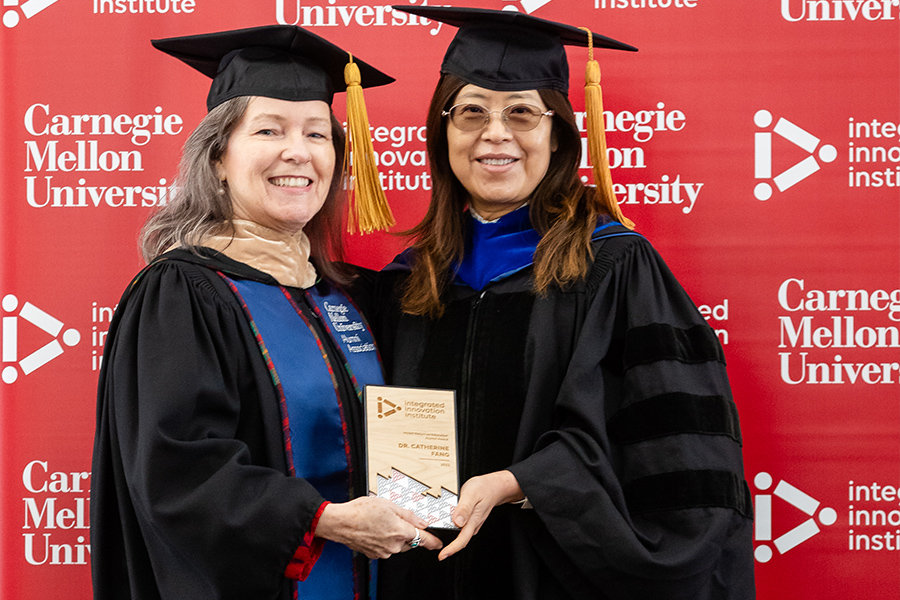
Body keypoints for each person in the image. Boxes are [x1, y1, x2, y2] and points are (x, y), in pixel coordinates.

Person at [365, 7, 755, 599]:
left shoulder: (615, 268)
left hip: (556, 577)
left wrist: (521, 482)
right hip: (427, 575)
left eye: (521, 112)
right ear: (442, 133)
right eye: (471, 112)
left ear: (558, 134)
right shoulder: (408, 284)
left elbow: (678, 456)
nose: (495, 133)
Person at [90, 25, 439, 600]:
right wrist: (324, 518)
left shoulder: (343, 295)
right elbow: (174, 471)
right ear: (219, 158)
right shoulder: (184, 293)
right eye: (268, 130)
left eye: (317, 134)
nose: (297, 152)